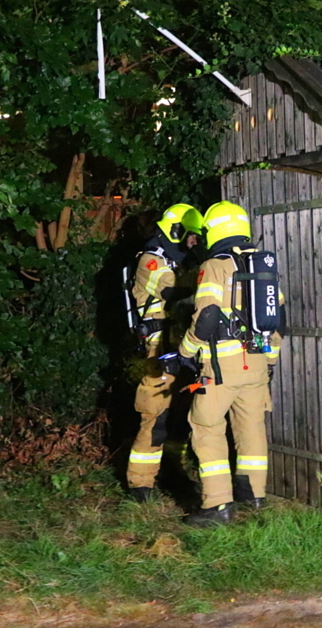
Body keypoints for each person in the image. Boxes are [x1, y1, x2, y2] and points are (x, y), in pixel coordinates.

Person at [177, 201, 284, 526]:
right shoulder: (263, 265)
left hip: (221, 369)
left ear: (214, 230)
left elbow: (207, 315)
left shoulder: (215, 265)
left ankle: (218, 506)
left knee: (207, 429)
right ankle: (253, 497)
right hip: (256, 366)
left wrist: (185, 351)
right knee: (251, 430)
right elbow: (278, 322)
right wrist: (270, 361)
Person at [126, 203, 203, 502]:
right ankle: (140, 485)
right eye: (189, 236)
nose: (191, 242)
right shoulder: (151, 261)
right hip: (155, 356)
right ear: (174, 231)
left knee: (182, 418)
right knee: (155, 419)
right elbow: (171, 292)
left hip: (180, 351)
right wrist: (207, 274)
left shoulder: (177, 262)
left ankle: (172, 474)